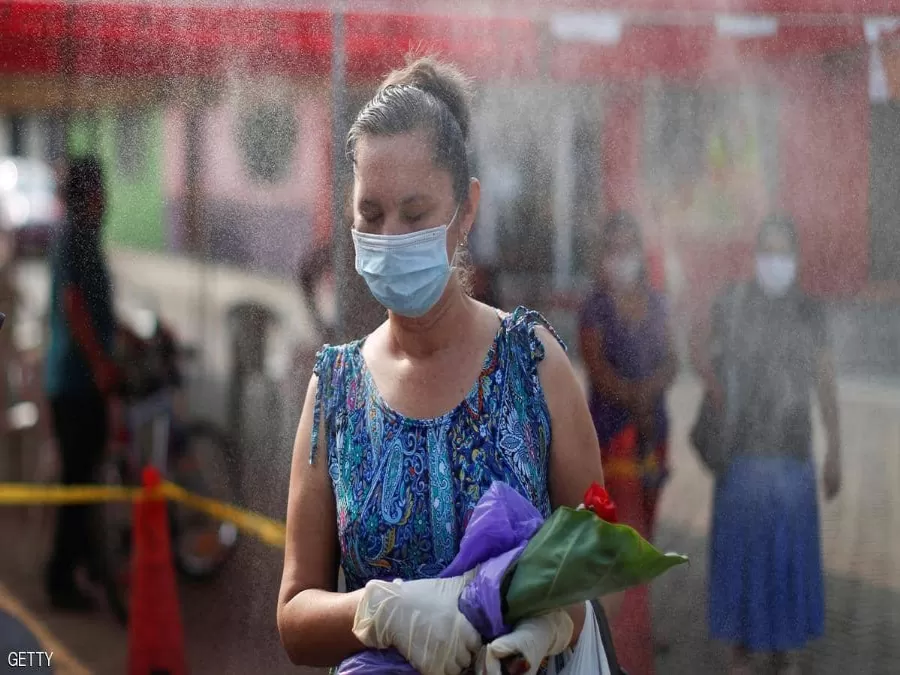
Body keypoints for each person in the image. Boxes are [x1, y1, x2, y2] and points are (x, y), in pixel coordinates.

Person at [277, 56, 606, 675]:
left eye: (415, 212)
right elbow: (294, 617)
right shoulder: (334, 392)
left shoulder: (533, 364)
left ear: (467, 210)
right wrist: (382, 610)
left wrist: (549, 623)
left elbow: (592, 561)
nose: (391, 234)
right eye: (370, 215)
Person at [693, 215, 841, 675]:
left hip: (793, 461)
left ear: (795, 258)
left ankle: (782, 656)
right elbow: (695, 341)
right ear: (755, 255)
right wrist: (712, 381)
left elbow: (825, 381)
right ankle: (741, 657)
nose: (775, 261)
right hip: (741, 461)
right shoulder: (735, 301)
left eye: (784, 252)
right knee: (742, 567)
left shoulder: (809, 310)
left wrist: (836, 448)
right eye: (768, 251)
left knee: (786, 567)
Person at [576, 211, 677, 675]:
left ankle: (633, 631)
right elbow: (596, 368)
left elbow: (673, 360)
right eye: (614, 248)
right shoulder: (595, 308)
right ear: (603, 255)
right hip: (611, 440)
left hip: (652, 437)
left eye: (629, 247)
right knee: (619, 539)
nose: (623, 257)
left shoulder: (657, 302)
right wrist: (634, 395)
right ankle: (620, 646)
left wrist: (650, 390)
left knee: (644, 536)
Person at [43, 156, 120, 610]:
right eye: (101, 189)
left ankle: (91, 563)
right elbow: (74, 305)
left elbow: (94, 306)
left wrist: (122, 334)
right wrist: (99, 364)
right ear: (90, 194)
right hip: (73, 383)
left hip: (80, 379)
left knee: (88, 475)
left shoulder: (84, 237)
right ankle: (60, 580)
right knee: (78, 483)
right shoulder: (73, 238)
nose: (105, 198)